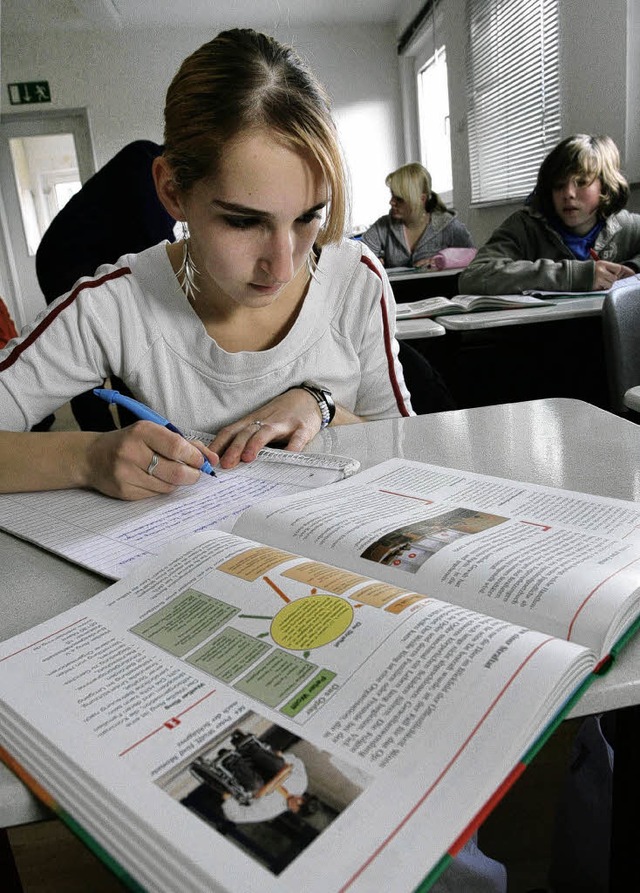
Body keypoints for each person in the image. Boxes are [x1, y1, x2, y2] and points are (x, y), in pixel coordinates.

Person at [0, 29, 412, 503]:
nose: (282, 267)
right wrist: (88, 457)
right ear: (173, 191)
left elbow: (406, 454)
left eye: (308, 217)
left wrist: (321, 407)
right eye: (242, 221)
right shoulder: (114, 304)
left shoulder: (356, 278)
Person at [35, 139, 177, 432]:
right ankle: (101, 441)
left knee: (128, 344)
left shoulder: (157, 171)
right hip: (65, 259)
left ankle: (135, 432)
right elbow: (159, 245)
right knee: (83, 355)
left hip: (93, 257)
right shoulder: (143, 160)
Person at [459, 133, 640, 295]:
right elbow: (474, 276)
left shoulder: (627, 226)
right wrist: (571, 276)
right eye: (559, 185)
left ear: (605, 187)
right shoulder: (525, 226)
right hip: (545, 332)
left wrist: (632, 268)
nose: (568, 193)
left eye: (581, 182)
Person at [361, 162, 474, 268]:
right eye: (392, 196)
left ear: (422, 199)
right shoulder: (383, 226)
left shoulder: (450, 227)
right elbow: (359, 256)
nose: (391, 202)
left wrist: (440, 260)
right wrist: (374, 261)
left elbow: (473, 257)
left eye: (399, 199)